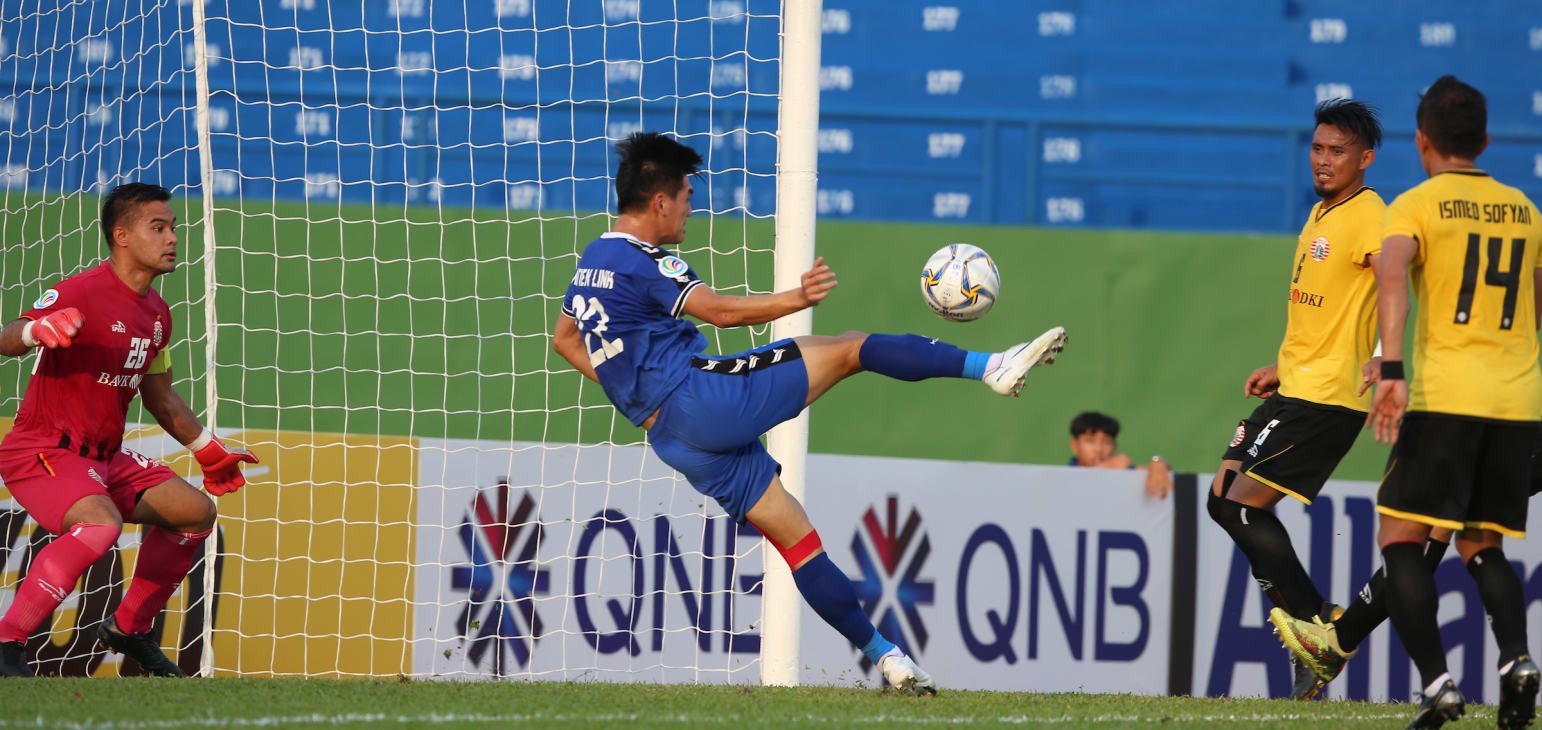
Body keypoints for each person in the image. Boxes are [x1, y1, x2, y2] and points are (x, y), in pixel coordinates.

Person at [551, 132, 1068, 695]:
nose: (690, 210)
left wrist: (635, 395)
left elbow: (565, 341)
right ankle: (991, 366)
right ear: (660, 201)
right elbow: (719, 312)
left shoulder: (594, 258)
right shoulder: (645, 259)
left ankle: (889, 658)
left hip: (673, 437)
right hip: (703, 399)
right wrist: (796, 299)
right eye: (687, 198)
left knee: (799, 545)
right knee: (851, 348)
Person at [1272, 76, 1542, 729]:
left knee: (1399, 537)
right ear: (1484, 140)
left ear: (1422, 142)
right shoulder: (1525, 211)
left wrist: (1390, 365)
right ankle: (1517, 660)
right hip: (1517, 400)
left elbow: (1391, 274)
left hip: (1450, 395)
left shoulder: (1416, 206)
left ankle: (1438, 683)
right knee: (1482, 543)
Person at [0, 183, 259, 678]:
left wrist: (208, 450)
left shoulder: (157, 315)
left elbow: (160, 396)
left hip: (105, 458)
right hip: (43, 449)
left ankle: (128, 629)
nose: (172, 238)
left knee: (195, 513)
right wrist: (36, 331)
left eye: (173, 228)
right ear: (121, 236)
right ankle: (7, 640)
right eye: (158, 228)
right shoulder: (80, 291)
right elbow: (6, 337)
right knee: (101, 525)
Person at [1202, 99, 1386, 700]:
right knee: (1222, 499)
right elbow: (1325, 310)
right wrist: (1281, 367)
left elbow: (1393, 282)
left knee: (1242, 507)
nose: (1324, 160)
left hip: (1328, 396)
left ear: (1366, 158)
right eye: (1317, 148)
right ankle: (1319, 623)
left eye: (1338, 151)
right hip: (1297, 385)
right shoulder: (1319, 214)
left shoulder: (1371, 216)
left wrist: (1387, 356)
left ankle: (1317, 628)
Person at [1066, 411, 1172, 499]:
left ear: (1115, 446)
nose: (1098, 449)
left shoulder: (1123, 471)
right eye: (1090, 441)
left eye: (1106, 442)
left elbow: (1159, 471)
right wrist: (1105, 469)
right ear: (1074, 445)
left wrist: (1157, 461)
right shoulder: (1063, 478)